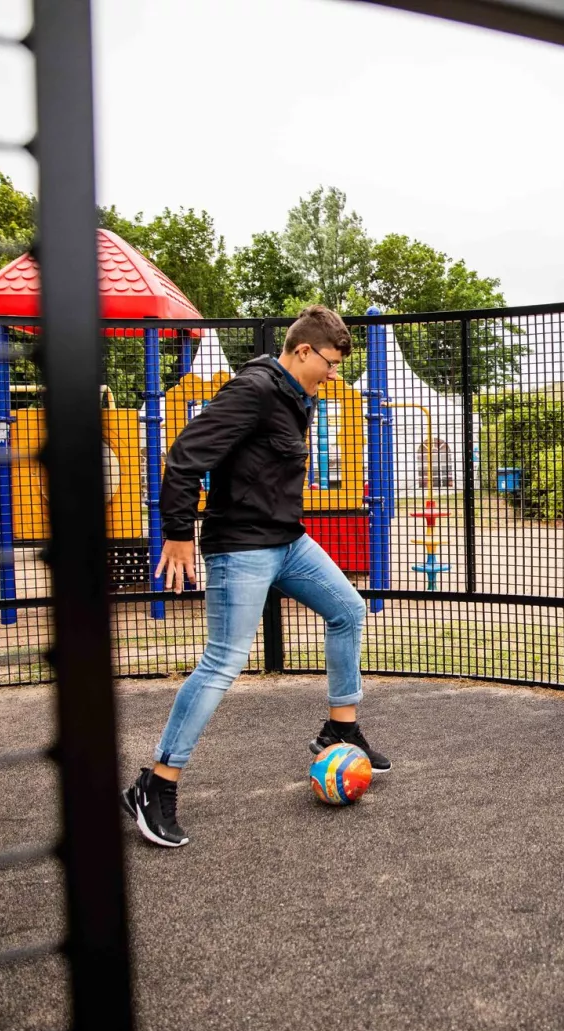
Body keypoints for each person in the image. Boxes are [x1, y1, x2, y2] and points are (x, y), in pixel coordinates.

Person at [122, 305, 389, 848]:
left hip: (288, 541)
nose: (335, 375)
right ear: (304, 351)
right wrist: (177, 533)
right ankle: (156, 784)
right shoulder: (254, 390)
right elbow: (184, 458)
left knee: (347, 610)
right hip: (240, 548)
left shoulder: (297, 396)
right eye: (331, 364)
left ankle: (339, 729)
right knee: (224, 662)